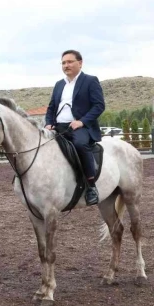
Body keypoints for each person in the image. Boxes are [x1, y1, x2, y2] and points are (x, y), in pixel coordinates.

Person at [44, 50, 105, 206]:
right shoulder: (59, 85)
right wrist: (48, 123)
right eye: (63, 63)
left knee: (80, 145)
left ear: (80, 63)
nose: (66, 65)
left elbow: (99, 106)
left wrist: (82, 121)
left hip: (80, 127)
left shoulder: (90, 81)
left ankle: (91, 186)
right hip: (58, 127)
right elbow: (51, 107)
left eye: (70, 62)